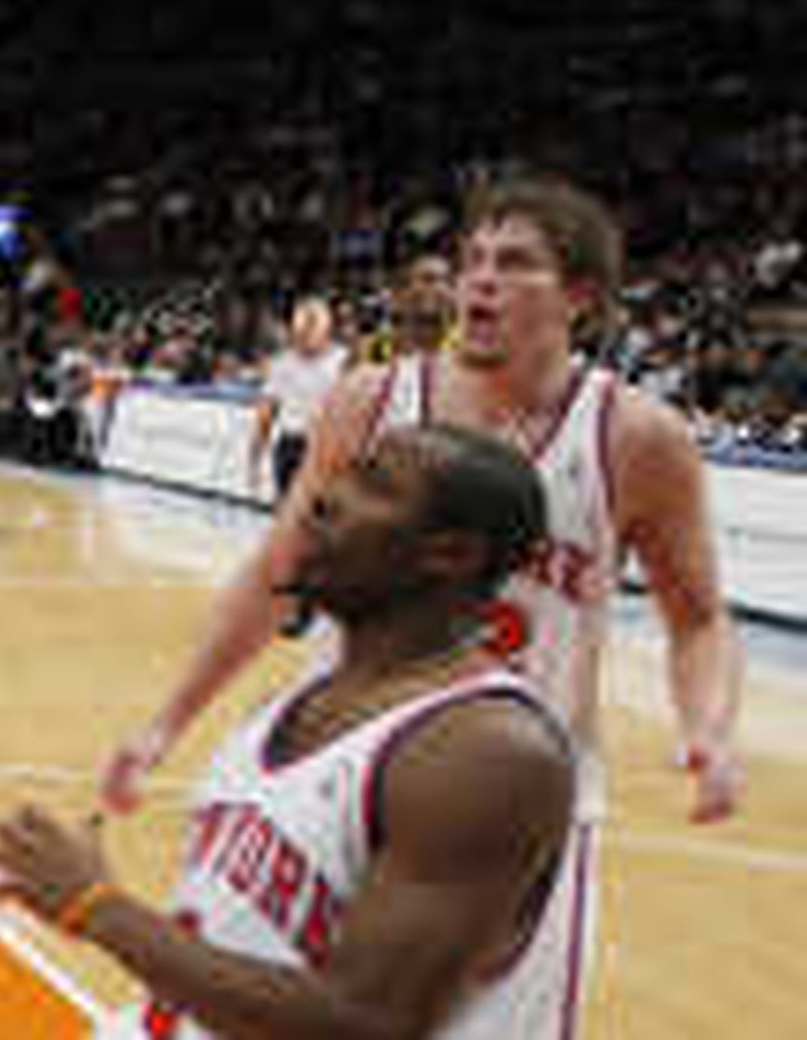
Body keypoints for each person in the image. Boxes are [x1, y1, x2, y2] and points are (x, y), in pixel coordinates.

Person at [98, 178, 747, 1020]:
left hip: (510, 801)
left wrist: (709, 731)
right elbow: (277, 570)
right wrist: (166, 721)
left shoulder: (636, 436)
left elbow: (698, 617)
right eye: (473, 259)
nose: (479, 280)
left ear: (581, 296)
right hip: (342, 771)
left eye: (515, 264)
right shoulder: (373, 400)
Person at [0, 425, 577, 1039]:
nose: (325, 496)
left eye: (374, 485)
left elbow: (367, 1023)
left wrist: (99, 909)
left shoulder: (486, 753)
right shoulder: (298, 699)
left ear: (450, 554)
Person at [249, 297, 346, 504]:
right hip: (291, 447)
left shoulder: (343, 362)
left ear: (326, 330)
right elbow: (264, 417)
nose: (304, 336)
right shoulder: (281, 364)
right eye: (300, 331)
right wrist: (254, 463)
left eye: (312, 329)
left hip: (327, 447)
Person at [359, 253, 456, 365]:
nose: (441, 288)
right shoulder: (373, 349)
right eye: (428, 279)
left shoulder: (466, 349)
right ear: (401, 292)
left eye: (448, 282)